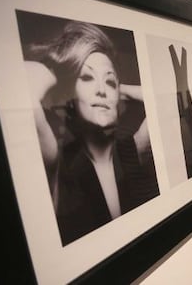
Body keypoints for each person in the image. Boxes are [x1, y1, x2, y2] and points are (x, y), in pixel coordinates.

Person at [22, 19, 160, 245]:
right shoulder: (58, 162)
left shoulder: (130, 151)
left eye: (109, 83)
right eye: (86, 78)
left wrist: (115, 89)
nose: (101, 90)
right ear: (69, 94)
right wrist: (65, 75)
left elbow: (165, 99)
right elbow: (23, 86)